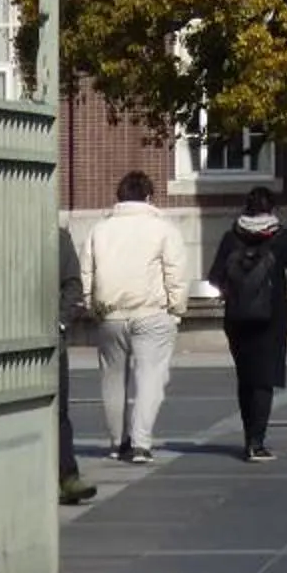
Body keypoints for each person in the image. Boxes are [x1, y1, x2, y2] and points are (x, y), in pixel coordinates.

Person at [85, 170, 191, 461]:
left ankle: (117, 441)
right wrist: (176, 309)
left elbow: (87, 273)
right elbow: (176, 273)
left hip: (110, 314)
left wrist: (92, 306)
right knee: (150, 380)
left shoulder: (99, 229)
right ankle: (141, 443)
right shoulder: (164, 229)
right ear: (149, 197)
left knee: (112, 380)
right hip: (151, 311)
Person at [208, 185, 287, 461]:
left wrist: (233, 289)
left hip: (237, 317)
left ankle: (248, 436)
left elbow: (214, 276)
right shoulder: (282, 238)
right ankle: (256, 442)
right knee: (264, 379)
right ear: (272, 209)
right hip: (272, 317)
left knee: (246, 377)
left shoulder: (230, 237)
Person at [54, 211, 98, 504]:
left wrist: (60, 322)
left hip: (50, 340)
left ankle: (67, 475)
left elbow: (73, 285)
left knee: (59, 412)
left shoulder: (58, 239)